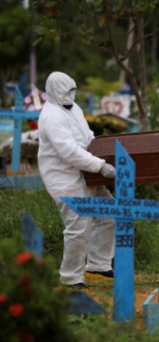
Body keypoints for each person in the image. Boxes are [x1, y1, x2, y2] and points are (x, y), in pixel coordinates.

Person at [38, 72, 117, 290]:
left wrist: (101, 150)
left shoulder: (73, 108)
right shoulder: (52, 116)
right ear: (55, 91)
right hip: (65, 179)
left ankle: (98, 265)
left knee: (108, 213)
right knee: (79, 227)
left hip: (86, 174)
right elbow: (68, 151)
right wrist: (100, 166)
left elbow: (86, 136)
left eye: (72, 91)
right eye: (66, 91)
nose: (70, 95)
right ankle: (71, 278)